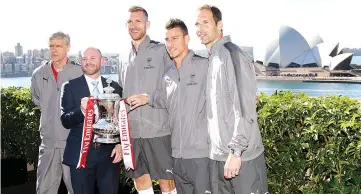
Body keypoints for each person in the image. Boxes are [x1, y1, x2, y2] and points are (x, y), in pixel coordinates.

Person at [127, 18, 211, 194]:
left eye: (175, 38)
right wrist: (146, 98)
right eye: (167, 39)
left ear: (186, 39)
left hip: (201, 153)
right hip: (177, 153)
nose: (170, 44)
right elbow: (163, 99)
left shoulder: (204, 65)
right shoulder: (169, 75)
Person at [194, 5, 269, 194]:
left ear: (219, 25)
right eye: (197, 24)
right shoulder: (212, 59)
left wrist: (236, 152)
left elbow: (244, 106)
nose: (200, 29)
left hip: (242, 158)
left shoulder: (232, 55)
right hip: (219, 157)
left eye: (205, 22)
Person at [118, 6, 177, 194]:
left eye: (138, 21)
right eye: (130, 21)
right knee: (140, 180)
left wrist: (149, 98)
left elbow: (176, 88)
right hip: (132, 134)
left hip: (159, 131)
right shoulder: (122, 57)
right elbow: (121, 95)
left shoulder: (162, 51)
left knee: (167, 182)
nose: (134, 25)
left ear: (147, 24)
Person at [60, 47, 123, 194]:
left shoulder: (115, 87)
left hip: (109, 154)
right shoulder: (69, 87)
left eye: (92, 58)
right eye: (84, 59)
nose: (88, 62)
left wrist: (120, 144)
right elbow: (65, 120)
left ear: (102, 61)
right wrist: (81, 110)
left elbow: (122, 120)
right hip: (80, 154)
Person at [31, 31, 83, 194]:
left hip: (72, 142)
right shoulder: (38, 74)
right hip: (48, 143)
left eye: (58, 46)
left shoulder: (79, 73)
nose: (54, 50)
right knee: (44, 189)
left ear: (67, 48)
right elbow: (37, 100)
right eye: (51, 46)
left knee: (76, 188)